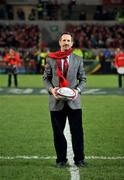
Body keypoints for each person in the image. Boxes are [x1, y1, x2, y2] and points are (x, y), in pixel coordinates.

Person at [43, 32, 87, 167]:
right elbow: (46, 78)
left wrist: (77, 91)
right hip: (56, 102)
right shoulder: (50, 59)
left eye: (68, 40)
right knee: (58, 132)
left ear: (72, 43)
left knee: (77, 132)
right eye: (64, 40)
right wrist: (52, 90)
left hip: (74, 102)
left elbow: (83, 79)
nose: (66, 42)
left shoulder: (78, 59)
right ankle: (61, 160)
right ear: (60, 43)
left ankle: (79, 159)